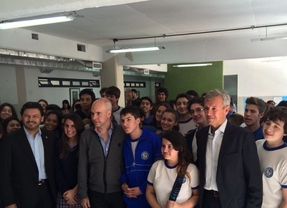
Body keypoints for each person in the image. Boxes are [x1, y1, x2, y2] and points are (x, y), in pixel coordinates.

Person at [196, 89, 262, 208]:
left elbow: (253, 178)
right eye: (206, 108)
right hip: (206, 199)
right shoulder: (201, 135)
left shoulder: (242, 136)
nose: (209, 113)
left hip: (232, 201)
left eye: (214, 108)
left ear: (226, 110)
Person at [0, 102, 57, 208]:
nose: (31, 119)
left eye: (35, 116)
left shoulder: (50, 136)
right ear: (22, 117)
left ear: (42, 118)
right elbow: (3, 173)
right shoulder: (10, 139)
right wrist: (9, 202)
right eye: (27, 116)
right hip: (22, 195)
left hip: (47, 193)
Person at [78, 98, 126, 208]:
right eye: (92, 113)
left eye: (98, 113)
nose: (94, 117)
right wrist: (83, 194)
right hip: (95, 192)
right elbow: (82, 166)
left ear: (109, 113)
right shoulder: (86, 136)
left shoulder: (122, 133)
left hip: (118, 191)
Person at [120, 106, 161, 208]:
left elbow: (159, 168)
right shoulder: (125, 143)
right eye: (122, 121)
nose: (125, 124)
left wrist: (143, 188)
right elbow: (126, 167)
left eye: (128, 119)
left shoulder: (152, 138)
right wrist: (124, 182)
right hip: (131, 198)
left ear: (138, 120)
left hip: (150, 197)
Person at [146, 131, 199, 208]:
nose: (165, 150)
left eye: (169, 146)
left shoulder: (191, 170)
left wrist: (181, 206)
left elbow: (196, 195)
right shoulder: (156, 166)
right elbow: (149, 192)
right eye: (163, 146)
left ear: (180, 148)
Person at [256, 106, 287, 207]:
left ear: (285, 132)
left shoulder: (285, 157)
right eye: (268, 123)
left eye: (276, 126)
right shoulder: (257, 145)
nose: (269, 129)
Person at [55, 113, 85, 208]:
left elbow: (87, 170)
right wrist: (66, 192)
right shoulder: (59, 145)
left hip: (81, 192)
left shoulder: (84, 145)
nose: (69, 129)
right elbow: (57, 170)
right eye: (66, 126)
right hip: (64, 193)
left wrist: (75, 191)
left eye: (73, 126)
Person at [185, 97, 208, 163]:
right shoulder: (190, 135)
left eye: (199, 110)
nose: (195, 114)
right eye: (192, 112)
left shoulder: (216, 133)